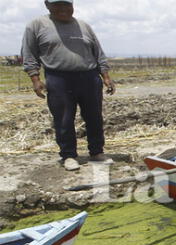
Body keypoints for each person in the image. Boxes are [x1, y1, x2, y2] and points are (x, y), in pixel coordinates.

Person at [21, 0, 115, 171]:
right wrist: (35, 79)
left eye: (67, 5)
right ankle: (69, 155)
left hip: (89, 77)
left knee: (94, 117)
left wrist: (106, 76)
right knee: (63, 119)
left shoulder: (84, 26)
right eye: (58, 5)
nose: (63, 9)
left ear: (73, 6)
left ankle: (96, 152)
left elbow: (98, 53)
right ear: (47, 5)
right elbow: (29, 55)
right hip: (59, 78)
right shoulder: (36, 25)